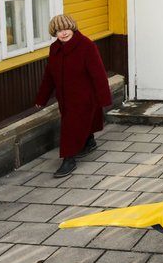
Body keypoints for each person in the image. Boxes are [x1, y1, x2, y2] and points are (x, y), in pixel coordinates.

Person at [34, 14, 112, 178]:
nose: (63, 33)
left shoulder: (86, 46)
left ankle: (68, 159)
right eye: (59, 30)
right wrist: (42, 98)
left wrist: (104, 97)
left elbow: (98, 73)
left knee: (70, 127)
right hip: (65, 98)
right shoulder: (55, 49)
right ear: (54, 33)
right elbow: (49, 76)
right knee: (79, 124)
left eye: (66, 28)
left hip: (84, 97)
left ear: (72, 28)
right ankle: (89, 141)